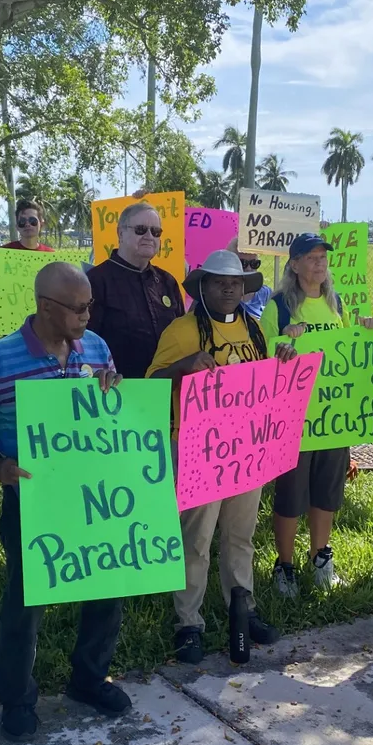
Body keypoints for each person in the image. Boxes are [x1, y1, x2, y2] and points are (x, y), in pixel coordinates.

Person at [0, 262, 129, 743]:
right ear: (45, 306)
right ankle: (16, 699)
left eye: (90, 306)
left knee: (107, 586)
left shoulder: (97, 348)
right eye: (78, 308)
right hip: (32, 498)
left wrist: (113, 390)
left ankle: (89, 679)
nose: (86, 315)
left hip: (94, 496)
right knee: (26, 600)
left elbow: (112, 410)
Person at [147, 250, 293, 664]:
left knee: (240, 535)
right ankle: (188, 622)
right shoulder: (181, 331)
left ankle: (241, 609)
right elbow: (150, 384)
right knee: (197, 538)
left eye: (237, 283)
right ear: (203, 287)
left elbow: (263, 384)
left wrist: (283, 363)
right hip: (198, 448)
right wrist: (183, 366)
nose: (230, 288)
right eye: (219, 282)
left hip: (246, 446)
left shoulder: (255, 328)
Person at [263, 234, 373, 596]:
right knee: (291, 495)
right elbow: (264, 359)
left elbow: (343, 357)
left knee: (326, 492)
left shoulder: (336, 303)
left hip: (332, 417)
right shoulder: (279, 306)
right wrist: (282, 341)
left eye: (322, 257)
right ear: (294, 264)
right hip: (295, 419)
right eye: (310, 257)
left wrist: (366, 333)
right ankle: (284, 566)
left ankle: (320, 557)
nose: (319, 263)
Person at [87, 201, 185, 379]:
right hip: (116, 393)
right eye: (141, 229)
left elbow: (182, 335)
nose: (149, 236)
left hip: (167, 391)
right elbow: (84, 342)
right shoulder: (95, 281)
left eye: (156, 232)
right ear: (121, 233)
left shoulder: (168, 282)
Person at [0, 199, 56, 291]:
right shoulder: (3, 254)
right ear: (17, 226)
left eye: (32, 220)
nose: (27, 224)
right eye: (22, 221)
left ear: (41, 225)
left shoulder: (51, 256)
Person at [226, 239, 271, 319]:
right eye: (243, 263)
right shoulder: (223, 295)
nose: (249, 269)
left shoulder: (266, 294)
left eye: (254, 264)